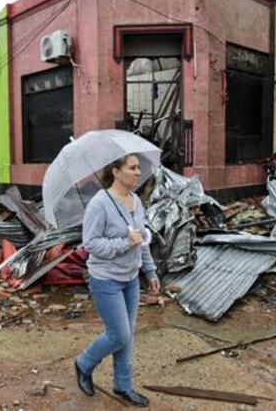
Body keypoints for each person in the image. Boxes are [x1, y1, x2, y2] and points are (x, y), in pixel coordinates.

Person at [74, 153, 160, 407]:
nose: (137, 172)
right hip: (105, 279)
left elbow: (142, 238)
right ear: (115, 171)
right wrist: (124, 244)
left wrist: (151, 271)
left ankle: (123, 385)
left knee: (127, 335)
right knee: (119, 335)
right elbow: (90, 243)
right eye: (132, 168)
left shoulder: (135, 200)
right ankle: (84, 363)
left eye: (138, 168)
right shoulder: (99, 204)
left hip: (131, 279)